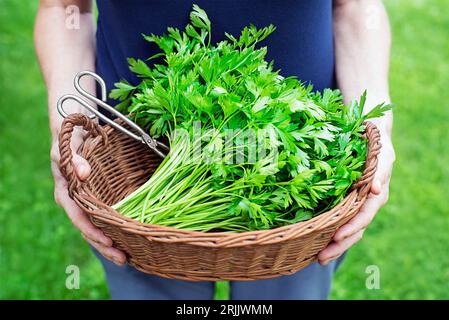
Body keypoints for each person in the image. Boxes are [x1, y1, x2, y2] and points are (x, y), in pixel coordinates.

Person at [34, 0, 395, 300]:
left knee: (286, 283)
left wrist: (376, 122)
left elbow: (355, 7)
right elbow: (66, 8)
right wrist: (67, 127)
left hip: (303, 159)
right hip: (131, 155)